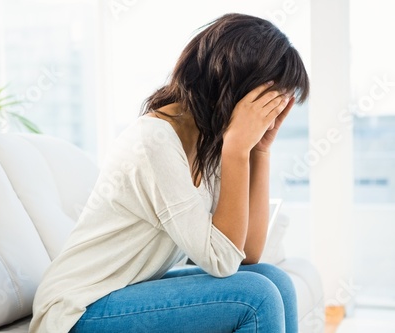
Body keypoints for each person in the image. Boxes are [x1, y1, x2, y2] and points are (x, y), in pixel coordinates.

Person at [30, 12, 309, 333]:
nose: (268, 115)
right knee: (255, 297)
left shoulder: (209, 142)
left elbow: (247, 255)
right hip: (77, 309)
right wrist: (237, 150)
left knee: (274, 281)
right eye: (266, 104)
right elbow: (223, 261)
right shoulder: (154, 142)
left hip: (123, 291)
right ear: (239, 89)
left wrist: (260, 149)